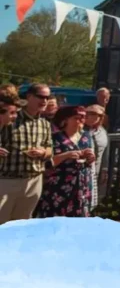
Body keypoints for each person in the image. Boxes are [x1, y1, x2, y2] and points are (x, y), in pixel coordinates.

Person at [0, 83, 53, 224]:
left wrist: (43, 152)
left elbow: (50, 149)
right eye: (41, 97)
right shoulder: (11, 116)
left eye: (47, 97)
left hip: (34, 180)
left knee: (22, 225)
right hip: (7, 179)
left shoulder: (45, 123)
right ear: (29, 96)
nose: (45, 101)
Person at [35, 105, 95, 217]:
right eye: (77, 117)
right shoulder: (55, 138)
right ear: (65, 120)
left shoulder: (86, 136)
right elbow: (46, 163)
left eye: (83, 117)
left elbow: (89, 161)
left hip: (82, 184)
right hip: (59, 185)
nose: (81, 120)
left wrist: (90, 157)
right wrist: (66, 155)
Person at [84, 105, 109, 210]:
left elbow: (105, 152)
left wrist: (104, 169)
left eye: (100, 115)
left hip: (96, 171)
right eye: (93, 114)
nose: (98, 117)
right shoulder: (79, 128)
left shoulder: (102, 131)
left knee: (94, 200)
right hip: (82, 171)